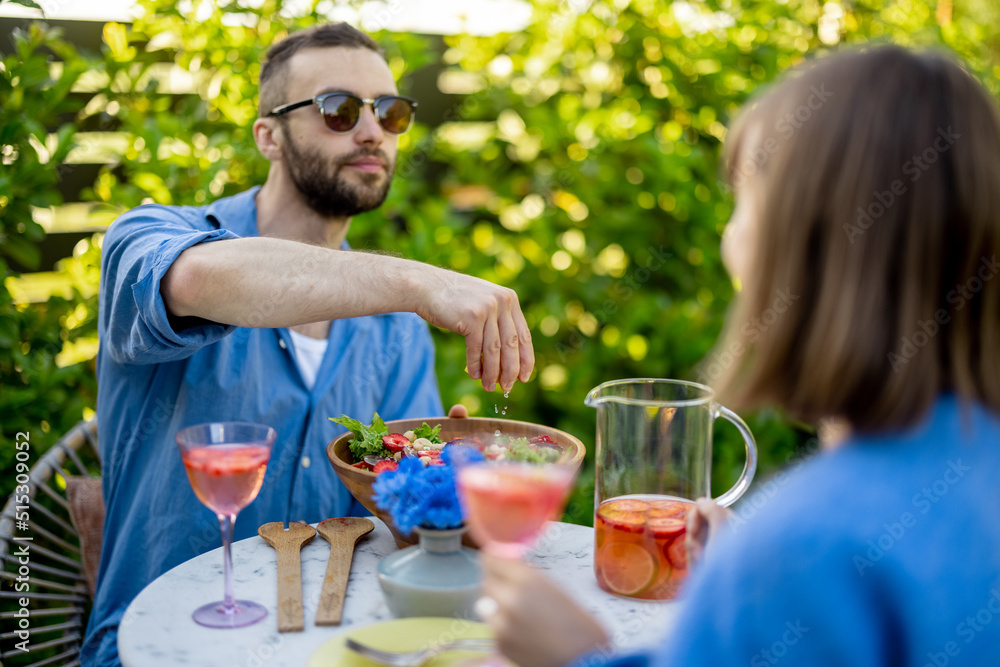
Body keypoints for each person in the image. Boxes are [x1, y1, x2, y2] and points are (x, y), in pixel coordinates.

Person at [479, 45, 1000, 667]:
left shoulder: (805, 544)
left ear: (799, 249)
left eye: (743, 201)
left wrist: (578, 658)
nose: (729, 237)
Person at [82, 23, 534, 665]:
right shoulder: (151, 236)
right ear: (268, 134)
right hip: (158, 643)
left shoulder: (396, 324)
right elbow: (206, 278)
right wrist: (416, 278)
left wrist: (438, 485)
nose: (372, 131)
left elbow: (394, 517)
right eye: (340, 109)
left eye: (390, 111)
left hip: (329, 646)